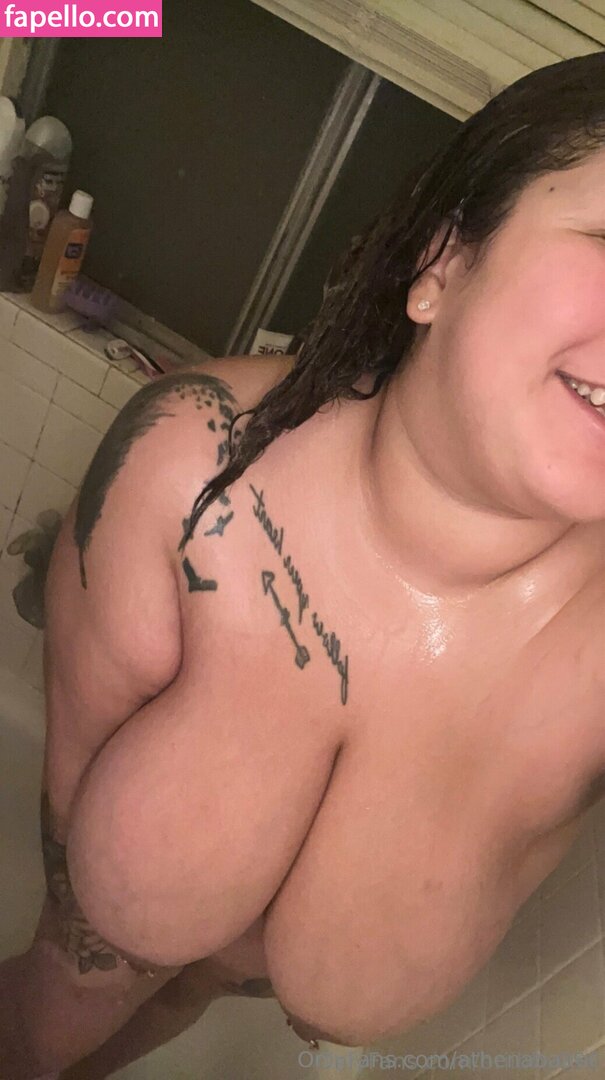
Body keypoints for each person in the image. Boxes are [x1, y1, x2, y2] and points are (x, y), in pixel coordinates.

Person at [2, 50, 605, 1078]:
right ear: (442, 262)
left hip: (201, 993)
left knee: (165, 996)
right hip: (56, 994)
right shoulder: (189, 469)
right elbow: (76, 913)